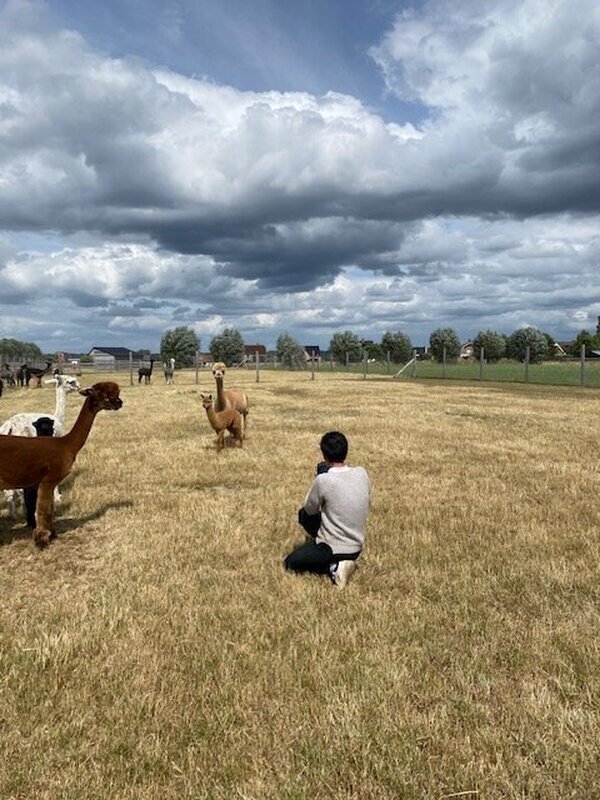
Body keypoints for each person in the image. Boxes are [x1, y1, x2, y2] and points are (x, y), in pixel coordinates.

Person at [284, 431, 371, 588]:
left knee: (291, 562)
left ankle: (335, 566)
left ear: (324, 455)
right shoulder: (361, 473)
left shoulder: (324, 480)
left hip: (333, 547)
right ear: (346, 451)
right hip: (357, 545)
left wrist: (320, 478)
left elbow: (309, 510)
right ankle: (344, 561)